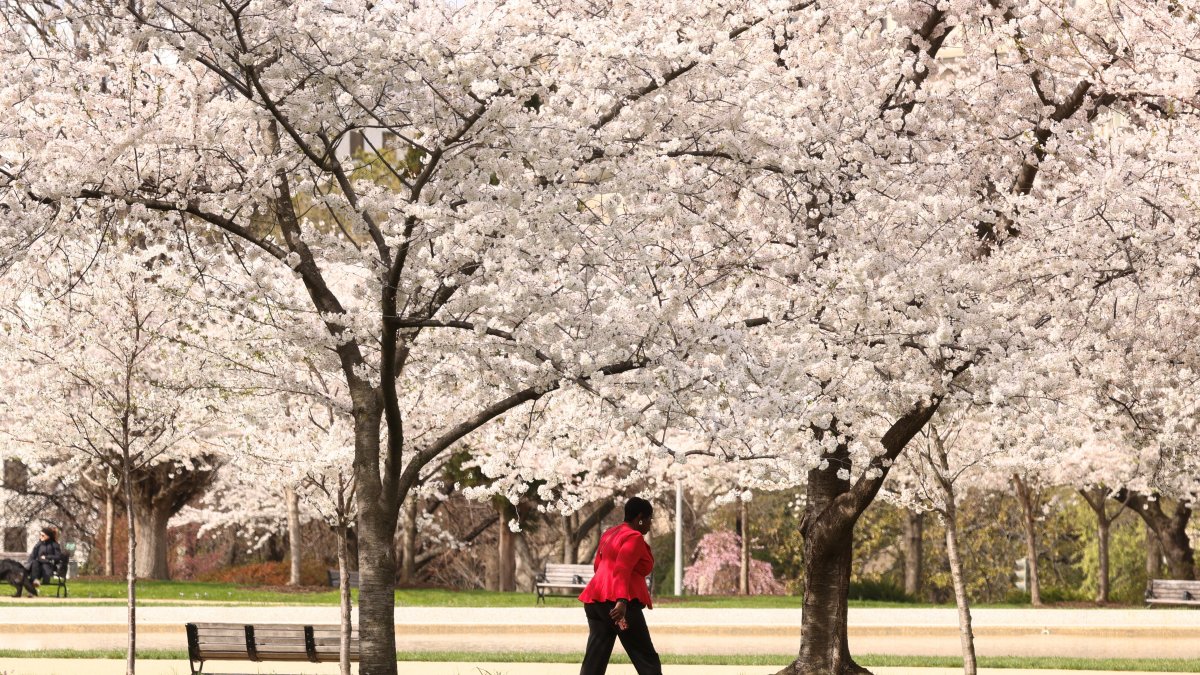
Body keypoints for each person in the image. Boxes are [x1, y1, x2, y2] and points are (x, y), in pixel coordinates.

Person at [578, 497, 661, 675]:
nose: (649, 524)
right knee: (646, 657)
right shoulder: (634, 537)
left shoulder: (610, 533)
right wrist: (621, 601)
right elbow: (622, 569)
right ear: (639, 517)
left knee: (595, 659)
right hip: (619, 607)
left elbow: (598, 566)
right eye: (649, 518)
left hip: (595, 601)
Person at [24, 526, 63, 592]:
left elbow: (59, 557)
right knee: (35, 563)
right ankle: (35, 582)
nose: (40, 537)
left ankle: (34, 586)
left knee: (43, 565)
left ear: (48, 536)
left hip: (48, 566)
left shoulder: (54, 545)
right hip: (37, 567)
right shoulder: (38, 544)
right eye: (40, 535)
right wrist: (27, 565)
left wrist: (47, 557)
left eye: (43, 535)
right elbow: (33, 556)